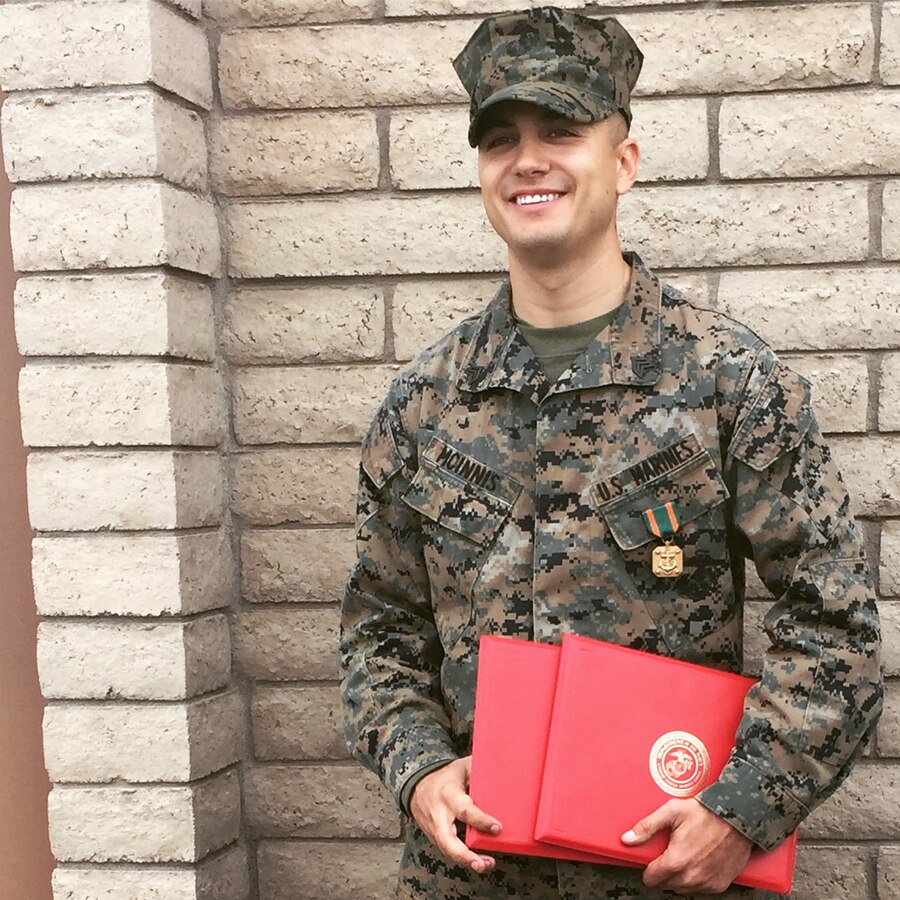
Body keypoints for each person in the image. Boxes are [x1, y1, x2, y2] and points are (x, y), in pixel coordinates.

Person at [339, 7, 884, 898]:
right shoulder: (424, 402)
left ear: (624, 161)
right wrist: (418, 768)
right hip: (473, 880)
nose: (529, 159)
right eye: (500, 139)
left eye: (562, 129)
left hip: (666, 878)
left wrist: (740, 808)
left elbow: (837, 626)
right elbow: (379, 633)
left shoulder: (726, 380)